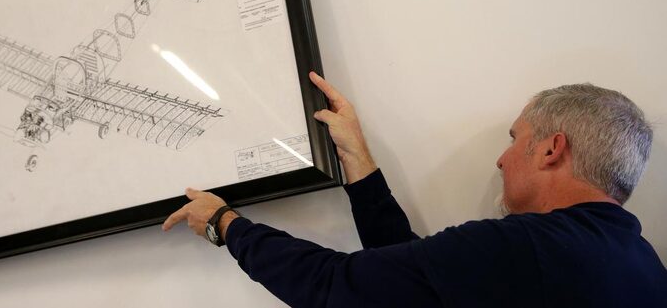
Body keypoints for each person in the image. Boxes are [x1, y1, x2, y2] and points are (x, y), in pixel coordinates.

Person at [163, 72, 667, 307]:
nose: (500, 159)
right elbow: (409, 280)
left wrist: (224, 223)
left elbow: (334, 287)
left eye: (514, 140)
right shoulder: (643, 266)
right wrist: (357, 158)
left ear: (552, 148)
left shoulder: (523, 247)